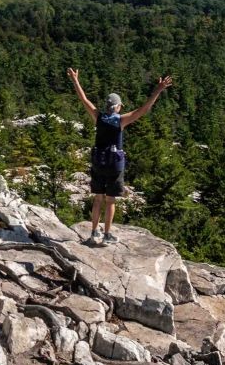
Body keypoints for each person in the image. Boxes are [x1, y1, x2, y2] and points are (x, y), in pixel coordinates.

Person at [66, 68, 174, 246]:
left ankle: (94, 232)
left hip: (98, 162)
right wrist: (159, 89)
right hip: (114, 165)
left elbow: (84, 99)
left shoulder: (98, 117)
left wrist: (75, 80)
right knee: (110, 200)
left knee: (98, 198)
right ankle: (107, 234)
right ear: (117, 107)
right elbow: (144, 109)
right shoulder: (121, 120)